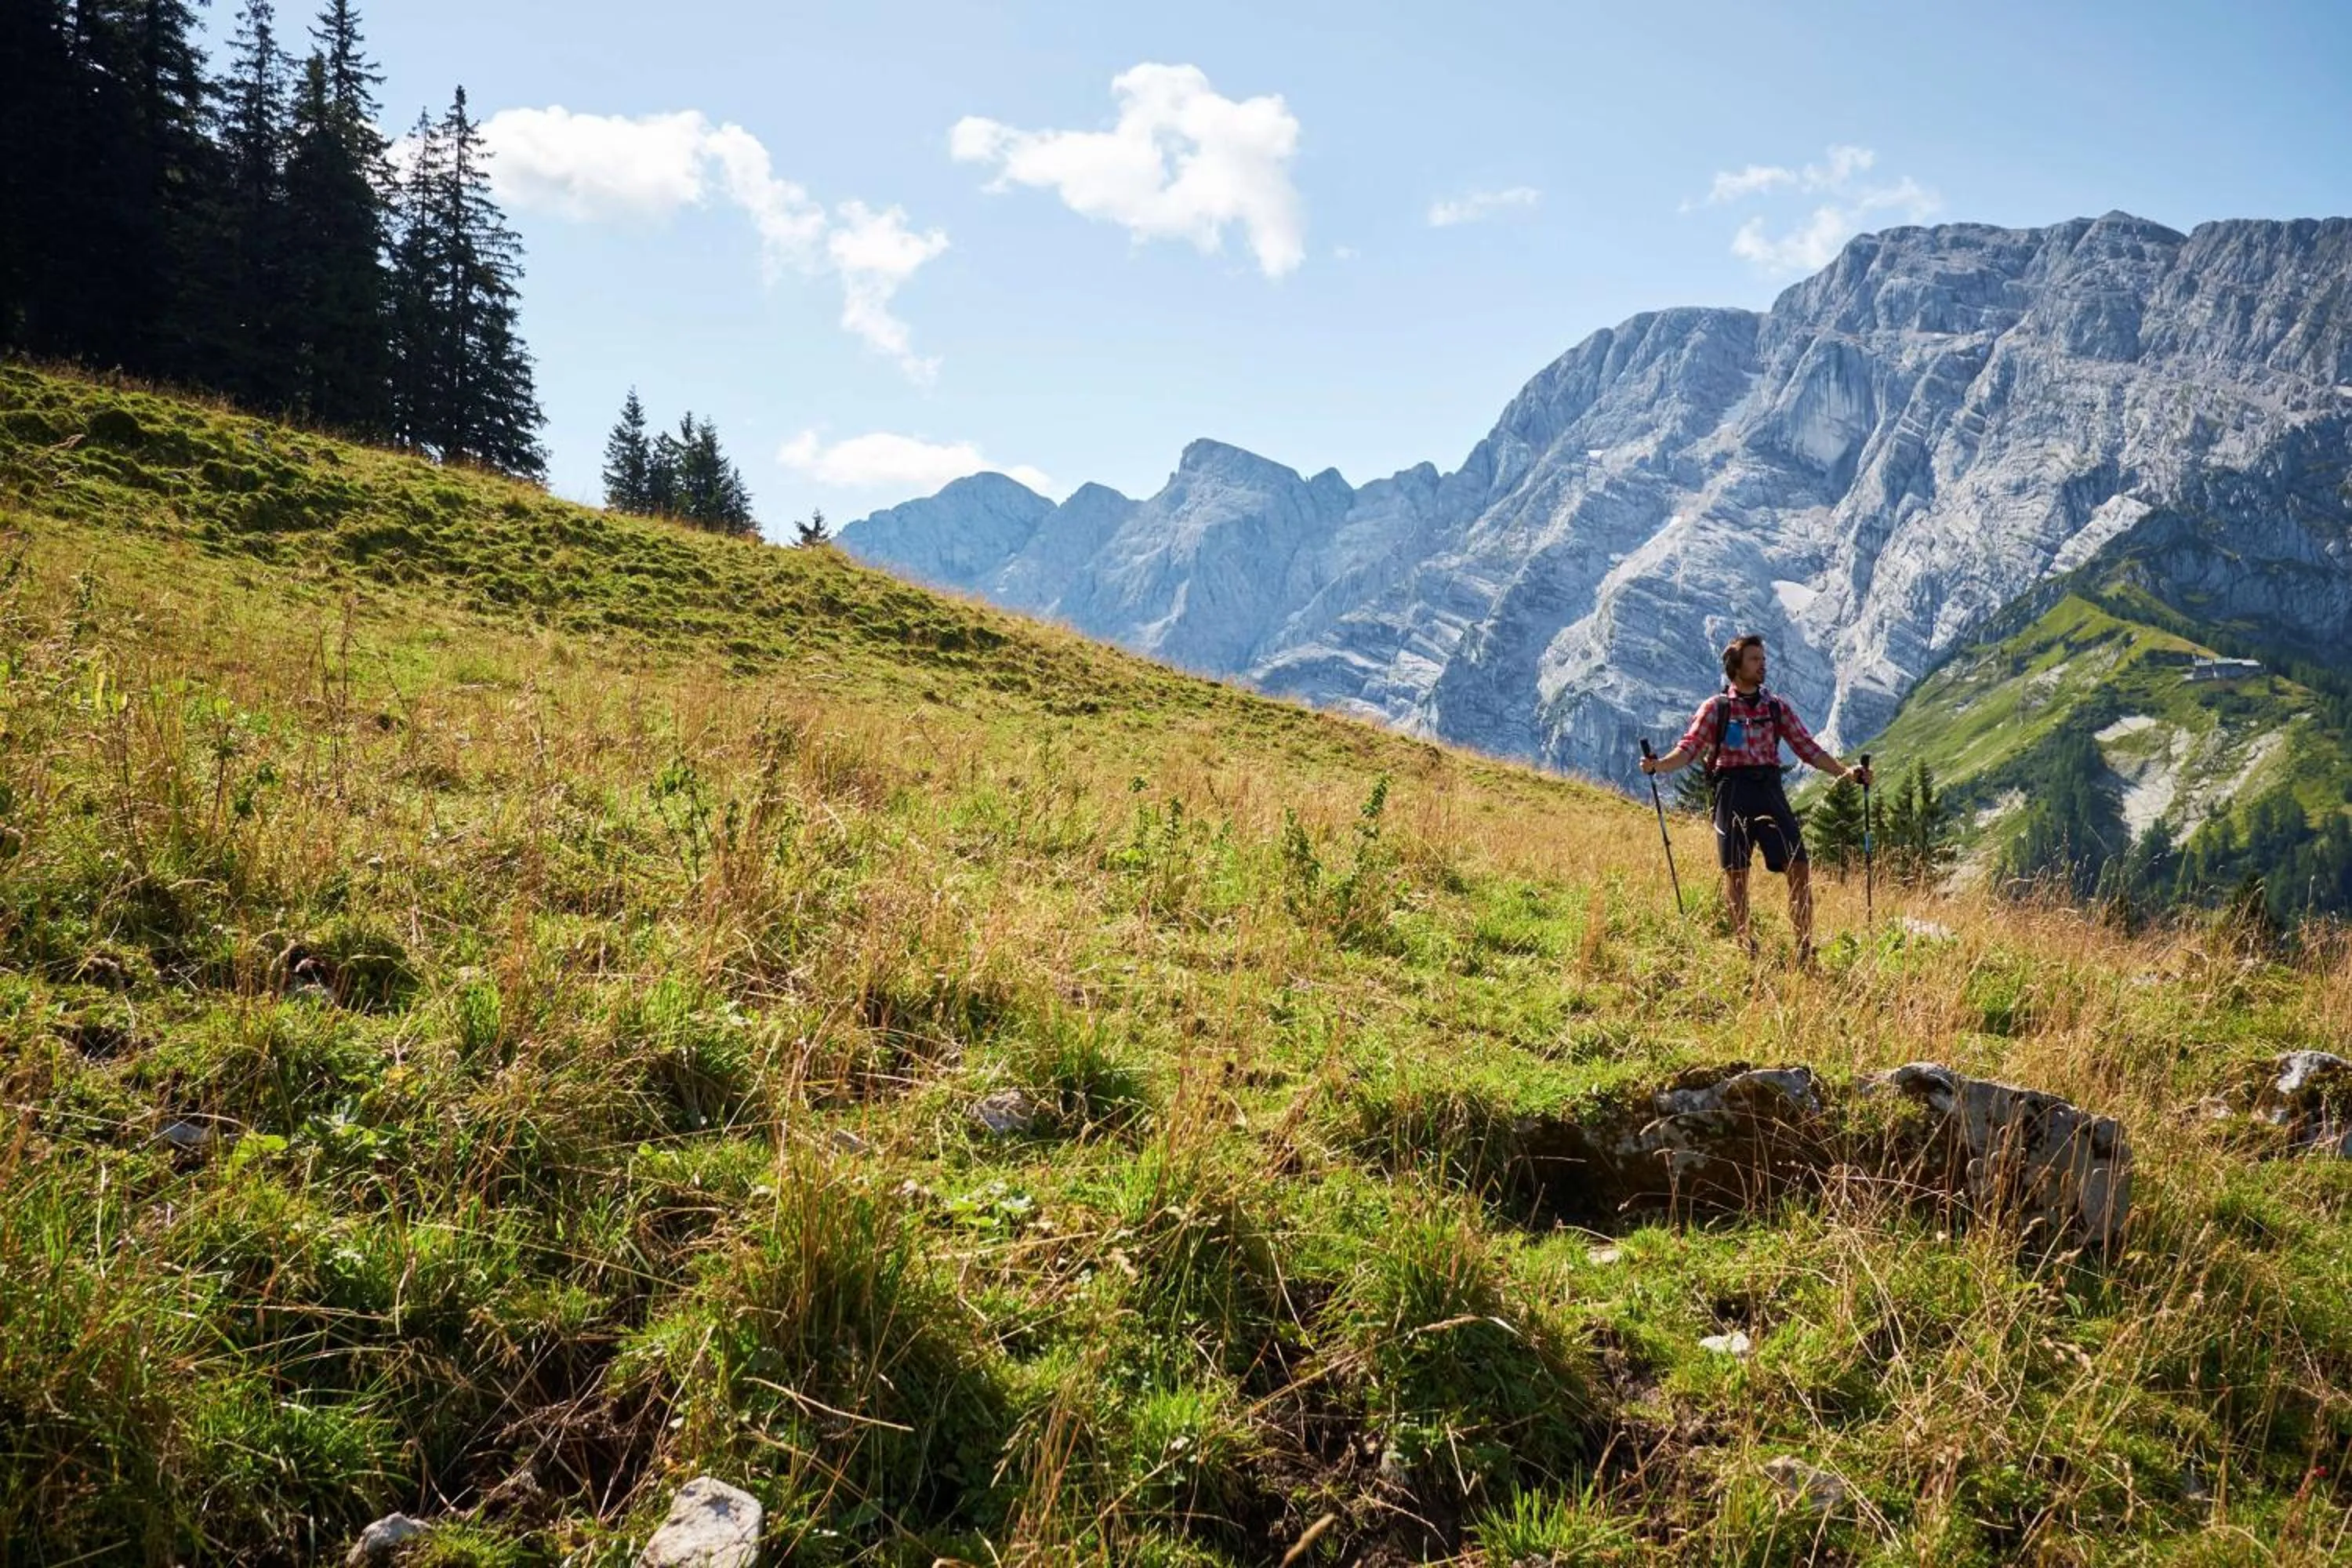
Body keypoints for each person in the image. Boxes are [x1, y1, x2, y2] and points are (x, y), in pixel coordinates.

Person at [1639, 633, 1871, 962]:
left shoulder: (1776, 707)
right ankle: (1744, 944)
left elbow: (1808, 749)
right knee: (1736, 872)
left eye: (1763, 659)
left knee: (1799, 866)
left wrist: (1844, 772)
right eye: (1754, 660)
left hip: (1769, 788)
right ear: (1735, 666)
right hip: (1731, 790)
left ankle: (1804, 947)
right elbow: (1690, 748)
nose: (1763, 665)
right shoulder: (1715, 708)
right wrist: (1658, 766)